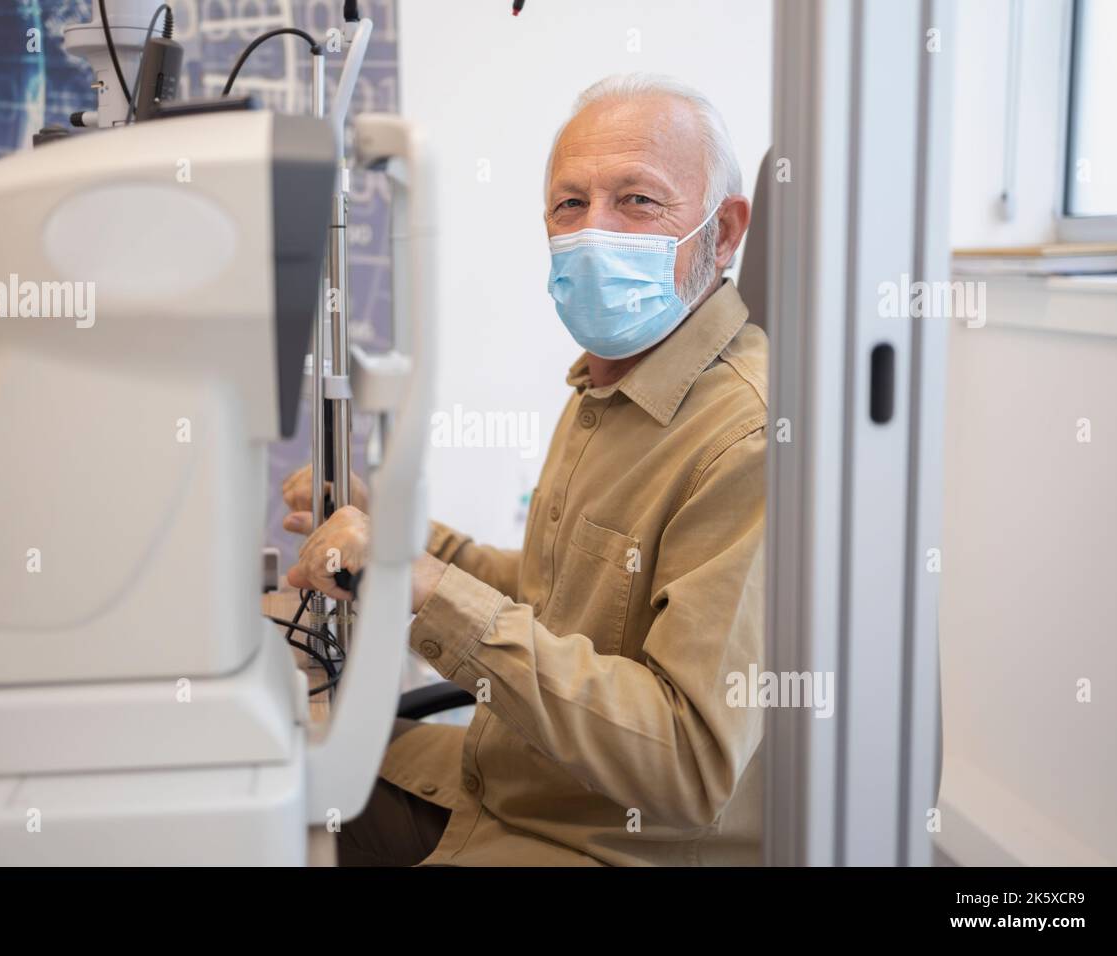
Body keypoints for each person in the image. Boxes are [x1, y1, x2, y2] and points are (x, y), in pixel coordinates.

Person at [282, 73, 768, 866]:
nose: (593, 232)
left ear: (726, 229)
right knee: (265, 782)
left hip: (598, 839)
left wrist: (433, 594)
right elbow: (558, 596)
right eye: (570, 205)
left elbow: (687, 764)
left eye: (639, 201)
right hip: (504, 780)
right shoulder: (609, 379)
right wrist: (400, 543)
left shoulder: (744, 441)